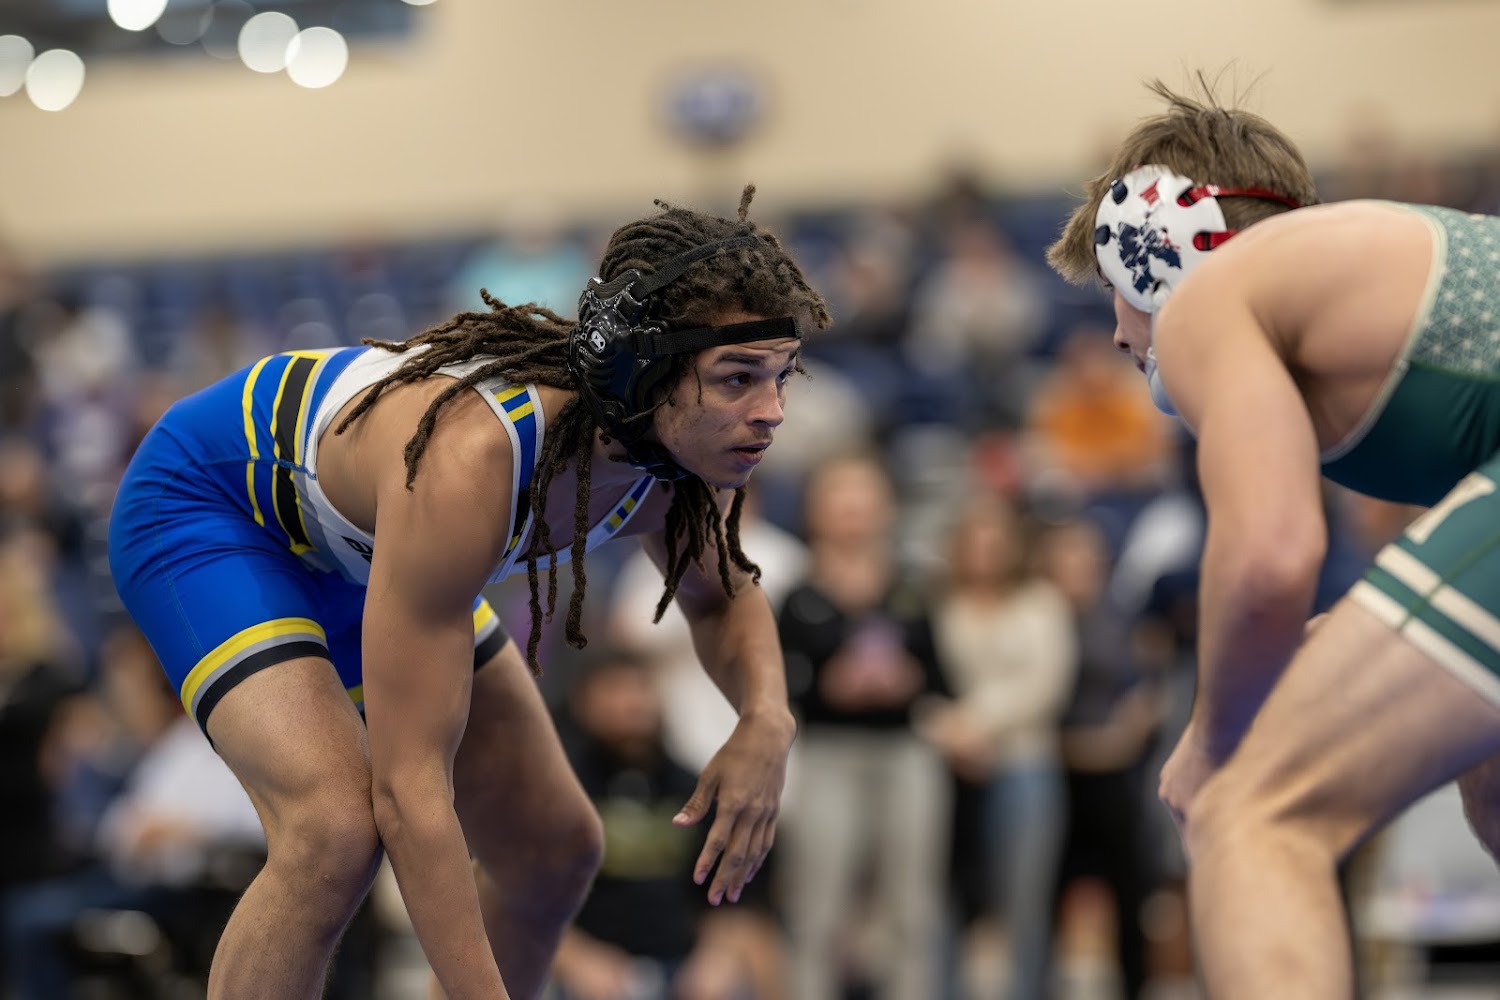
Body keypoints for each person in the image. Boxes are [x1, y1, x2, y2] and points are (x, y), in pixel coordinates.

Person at [107, 187, 827, 1000]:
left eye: (781, 377)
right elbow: (411, 796)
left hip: (363, 550)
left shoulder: (677, 455)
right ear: (645, 370)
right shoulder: (470, 460)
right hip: (209, 511)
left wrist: (767, 720)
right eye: (738, 378)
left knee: (556, 848)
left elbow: (721, 597)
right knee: (334, 831)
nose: (770, 413)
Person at [1046, 79, 1500, 999]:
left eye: (1113, 292)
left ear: (1155, 246)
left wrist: (1211, 744)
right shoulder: (1349, 290)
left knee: (1249, 805)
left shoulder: (1213, 301)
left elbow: (1271, 558)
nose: (1119, 336)